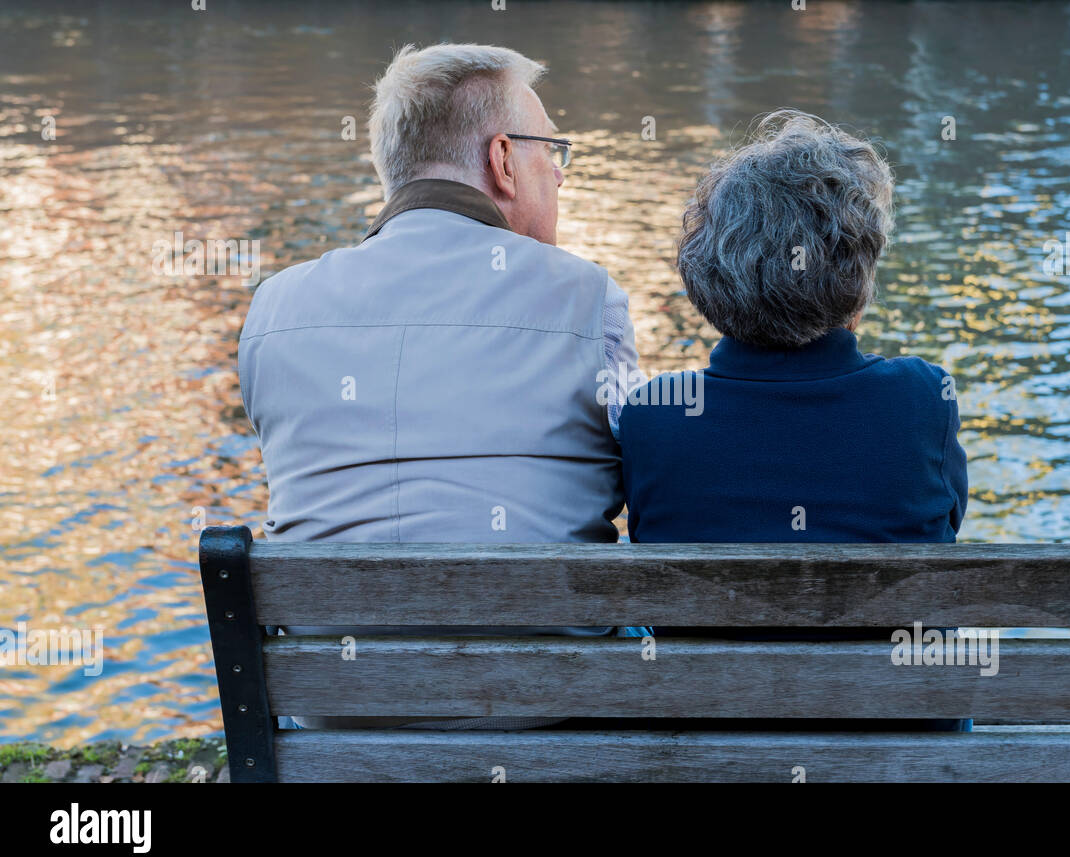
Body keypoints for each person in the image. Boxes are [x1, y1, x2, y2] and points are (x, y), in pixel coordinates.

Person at [238, 43, 647, 729]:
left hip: (339, 728)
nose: (560, 176)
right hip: (548, 726)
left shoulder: (274, 310)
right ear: (505, 161)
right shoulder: (585, 297)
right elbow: (645, 483)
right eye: (555, 153)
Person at [619, 109, 971, 731]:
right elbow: (943, 523)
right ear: (857, 272)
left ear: (707, 270)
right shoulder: (921, 398)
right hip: (902, 749)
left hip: (710, 750)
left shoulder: (655, 414)